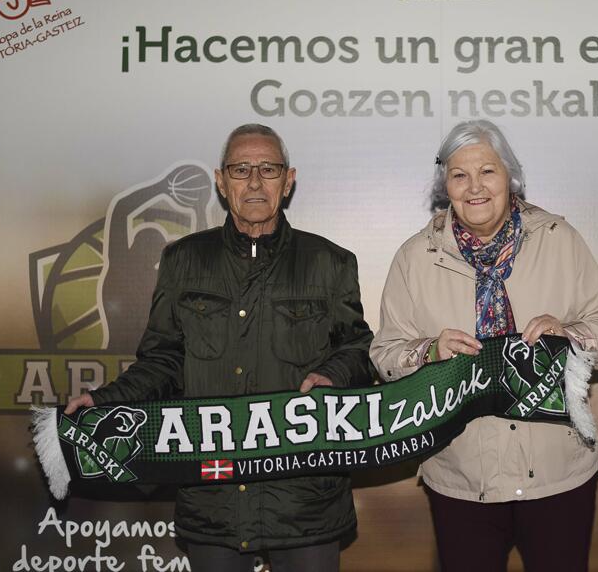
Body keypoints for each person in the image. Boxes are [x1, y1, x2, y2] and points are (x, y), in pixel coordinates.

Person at [65, 124, 374, 572]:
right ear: (220, 180)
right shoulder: (183, 260)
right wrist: (105, 402)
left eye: (267, 169)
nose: (253, 181)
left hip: (305, 499)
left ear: (288, 180)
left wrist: (334, 375)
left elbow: (360, 347)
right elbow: (164, 360)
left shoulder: (330, 262)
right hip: (211, 497)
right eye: (240, 169)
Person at [370, 120, 598, 572]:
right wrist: (429, 351)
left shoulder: (558, 239)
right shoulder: (414, 258)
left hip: (558, 475)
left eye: (487, 171)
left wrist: (569, 334)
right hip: (461, 477)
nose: (475, 188)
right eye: (459, 175)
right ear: (444, 185)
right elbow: (385, 356)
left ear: (510, 176)